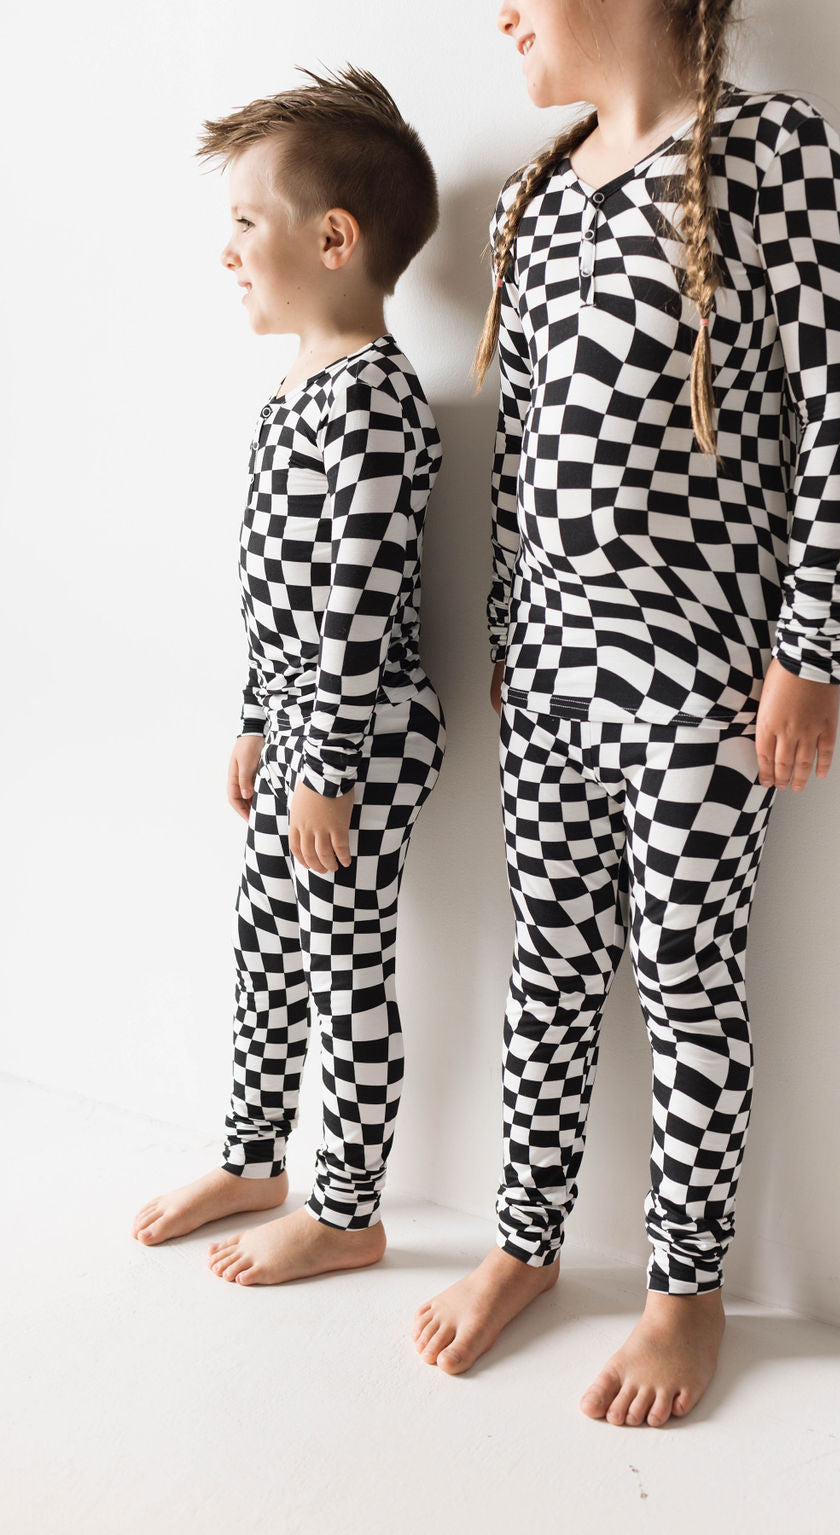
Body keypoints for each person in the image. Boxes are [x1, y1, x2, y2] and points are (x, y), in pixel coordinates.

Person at [413, 0, 840, 1428]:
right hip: (552, 668)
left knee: (683, 971)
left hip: (694, 670)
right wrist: (505, 626)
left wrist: (808, 649)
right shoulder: (538, 198)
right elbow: (518, 441)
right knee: (546, 959)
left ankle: (685, 1287)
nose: (496, 14)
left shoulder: (772, 151)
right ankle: (526, 1237)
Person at [131, 64, 446, 1284]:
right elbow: (281, 600)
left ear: (332, 238)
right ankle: (256, 1154)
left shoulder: (373, 403)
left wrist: (325, 768)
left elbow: (356, 611)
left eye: (244, 223)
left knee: (344, 960)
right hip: (305, 732)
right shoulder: (294, 399)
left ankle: (349, 1205)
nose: (227, 253)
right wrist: (260, 723)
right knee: (266, 945)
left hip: (361, 741)